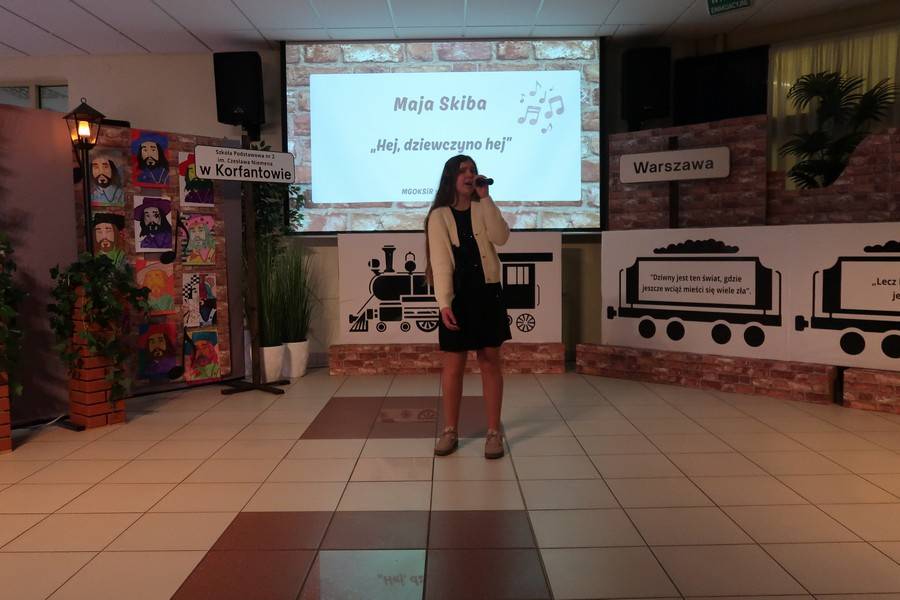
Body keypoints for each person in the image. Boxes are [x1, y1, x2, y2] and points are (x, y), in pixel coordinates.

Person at [425, 154, 511, 459]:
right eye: (463, 170)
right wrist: (443, 303)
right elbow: (440, 262)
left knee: (490, 361)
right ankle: (450, 430)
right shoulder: (439, 216)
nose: (469, 174)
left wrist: (486, 198)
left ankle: (493, 432)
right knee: (453, 366)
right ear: (451, 177)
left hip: (488, 293)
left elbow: (501, 237)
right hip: (458, 297)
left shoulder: (482, 206)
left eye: (473, 170)